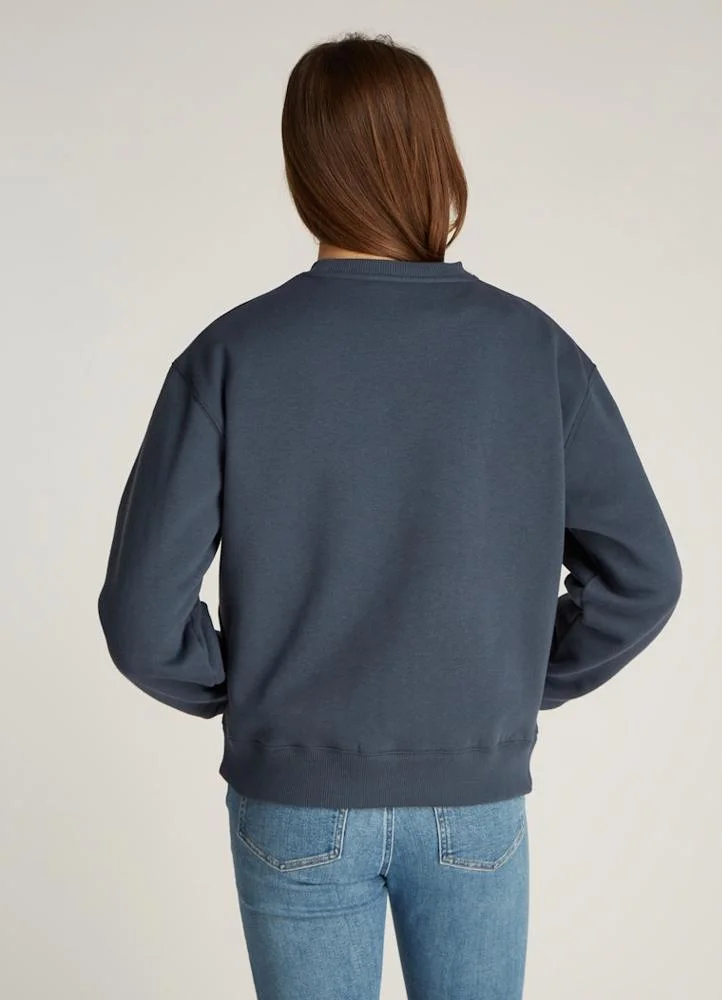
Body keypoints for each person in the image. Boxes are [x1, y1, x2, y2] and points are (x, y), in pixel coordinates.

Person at [97, 31, 682, 1000]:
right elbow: (645, 576)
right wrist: (508, 687)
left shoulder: (231, 355)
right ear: (433, 157)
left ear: (303, 166)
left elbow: (139, 615)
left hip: (295, 795)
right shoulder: (532, 350)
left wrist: (246, 695)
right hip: (473, 796)